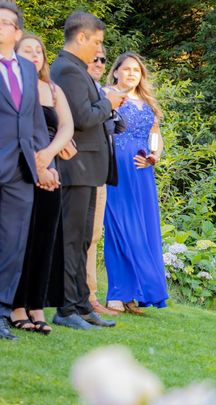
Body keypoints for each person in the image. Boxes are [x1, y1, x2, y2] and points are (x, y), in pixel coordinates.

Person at [50, 11, 127, 330]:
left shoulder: (79, 70)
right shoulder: (67, 69)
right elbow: (81, 117)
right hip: (76, 165)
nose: (99, 49)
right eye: (96, 42)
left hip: (90, 166)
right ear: (80, 37)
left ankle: (82, 304)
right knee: (72, 238)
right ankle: (66, 309)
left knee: (83, 239)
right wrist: (109, 101)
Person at [10, 34, 75, 335]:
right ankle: (16, 304)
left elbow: (67, 127)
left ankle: (37, 304)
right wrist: (39, 164)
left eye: (39, 50)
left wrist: (48, 158)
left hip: (51, 169)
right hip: (21, 168)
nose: (35, 55)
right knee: (21, 239)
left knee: (45, 240)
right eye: (28, 49)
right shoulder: (14, 88)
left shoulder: (53, 88)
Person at [0, 2, 54, 341]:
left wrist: (41, 163)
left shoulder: (26, 69)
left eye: (6, 23)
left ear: (17, 32)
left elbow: (34, 120)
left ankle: (3, 312)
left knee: (13, 242)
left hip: (21, 170)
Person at [103, 52, 168, 313]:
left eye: (136, 70)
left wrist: (155, 156)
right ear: (116, 71)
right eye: (126, 69)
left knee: (142, 229)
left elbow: (156, 136)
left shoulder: (148, 102)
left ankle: (136, 293)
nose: (131, 74)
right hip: (115, 170)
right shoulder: (106, 94)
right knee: (120, 229)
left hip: (142, 173)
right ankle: (116, 294)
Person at [85, 45, 124, 316]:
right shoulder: (79, 89)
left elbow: (114, 128)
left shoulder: (102, 91)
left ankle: (89, 295)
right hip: (80, 170)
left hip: (101, 170)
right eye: (93, 59)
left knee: (94, 236)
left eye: (102, 60)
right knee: (81, 236)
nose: (99, 63)